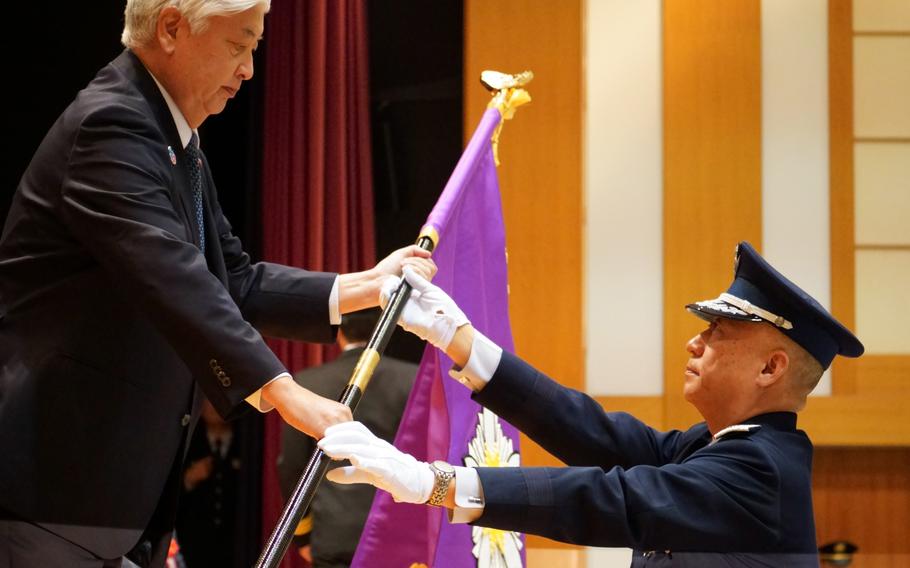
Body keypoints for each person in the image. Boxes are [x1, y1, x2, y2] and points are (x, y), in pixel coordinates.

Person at [0, 1, 434, 566]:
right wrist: (288, 394)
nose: (249, 68)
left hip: (107, 494)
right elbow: (177, 282)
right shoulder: (112, 125)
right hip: (52, 485)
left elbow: (235, 280)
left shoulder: (177, 142)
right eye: (238, 45)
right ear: (173, 27)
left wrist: (367, 286)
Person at [318, 241, 865, 567]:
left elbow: (615, 498)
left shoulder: (759, 472)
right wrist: (461, 341)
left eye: (719, 333)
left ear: (771, 369)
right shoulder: (718, 447)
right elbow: (598, 436)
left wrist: (429, 482)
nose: (695, 343)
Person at [277, 308, 418, 567]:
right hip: (400, 531)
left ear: (339, 332)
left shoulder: (309, 384)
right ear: (383, 328)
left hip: (335, 534)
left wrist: (303, 535)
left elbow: (293, 467)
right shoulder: (412, 380)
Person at [174, 399, 242, 568]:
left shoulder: (247, 443)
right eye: (207, 400)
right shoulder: (188, 442)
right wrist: (188, 479)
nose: (213, 405)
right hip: (193, 543)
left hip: (235, 545)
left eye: (217, 399)